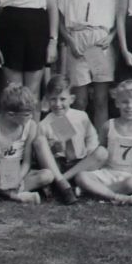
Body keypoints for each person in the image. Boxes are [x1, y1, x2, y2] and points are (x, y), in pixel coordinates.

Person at [58, 0, 118, 134]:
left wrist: (111, 37)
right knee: (79, 99)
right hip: (78, 43)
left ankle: (99, 142)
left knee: (101, 99)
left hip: (101, 45)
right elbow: (59, 21)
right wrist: (69, 40)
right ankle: (75, 144)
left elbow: (119, 22)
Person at [0, 84, 52, 204]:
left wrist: (18, 178)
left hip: (17, 168)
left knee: (47, 175)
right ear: (10, 114)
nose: (30, 117)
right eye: (26, 115)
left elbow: (26, 162)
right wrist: (0, 175)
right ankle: (15, 195)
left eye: (31, 113)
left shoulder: (31, 126)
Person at [75, 79, 132, 204]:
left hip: (129, 176)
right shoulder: (108, 126)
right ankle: (116, 197)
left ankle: (95, 193)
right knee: (81, 176)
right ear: (117, 103)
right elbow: (101, 152)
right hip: (107, 172)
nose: (130, 106)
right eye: (125, 102)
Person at [36, 74, 107, 203]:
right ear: (47, 100)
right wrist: (53, 149)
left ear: (72, 99)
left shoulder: (81, 117)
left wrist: (91, 153)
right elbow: (43, 156)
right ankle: (69, 186)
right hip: (59, 165)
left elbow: (91, 138)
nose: (58, 104)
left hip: (80, 163)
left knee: (102, 152)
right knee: (41, 144)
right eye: (53, 99)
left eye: (62, 99)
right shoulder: (44, 125)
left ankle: (63, 183)